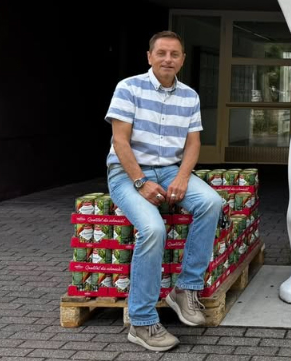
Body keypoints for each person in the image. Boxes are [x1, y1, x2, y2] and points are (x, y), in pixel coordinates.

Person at [105, 31, 222, 352]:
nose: (167, 59)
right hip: (127, 173)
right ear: (149, 56)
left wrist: (183, 177)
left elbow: (194, 143)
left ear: (182, 59)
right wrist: (141, 181)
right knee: (153, 228)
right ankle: (141, 322)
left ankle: (185, 289)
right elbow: (120, 141)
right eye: (161, 53)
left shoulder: (189, 96)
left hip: (171, 169)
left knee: (211, 202)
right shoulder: (128, 88)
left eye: (174, 54)